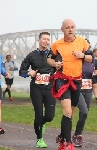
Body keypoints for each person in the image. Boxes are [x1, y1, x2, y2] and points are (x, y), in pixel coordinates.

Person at [47, 19, 93, 150]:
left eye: (72, 27)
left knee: (71, 114)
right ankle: (67, 143)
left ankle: (62, 137)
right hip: (62, 79)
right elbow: (49, 59)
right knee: (67, 110)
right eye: (67, 27)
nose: (70, 29)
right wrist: (55, 64)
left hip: (77, 81)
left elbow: (92, 58)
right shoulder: (57, 44)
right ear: (62, 29)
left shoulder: (82, 42)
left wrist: (82, 55)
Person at [19, 32, 56, 148]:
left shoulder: (53, 55)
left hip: (49, 88)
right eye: (44, 39)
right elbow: (21, 71)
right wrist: (28, 73)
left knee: (50, 116)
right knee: (38, 114)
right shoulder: (31, 55)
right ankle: (39, 139)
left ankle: (42, 123)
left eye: (48, 39)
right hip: (36, 89)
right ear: (38, 40)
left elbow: (60, 68)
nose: (46, 41)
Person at [72, 40, 94, 147]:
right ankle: (75, 134)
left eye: (88, 47)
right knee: (84, 111)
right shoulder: (77, 60)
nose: (86, 49)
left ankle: (77, 135)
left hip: (89, 90)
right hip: (78, 89)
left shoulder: (93, 60)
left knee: (83, 115)